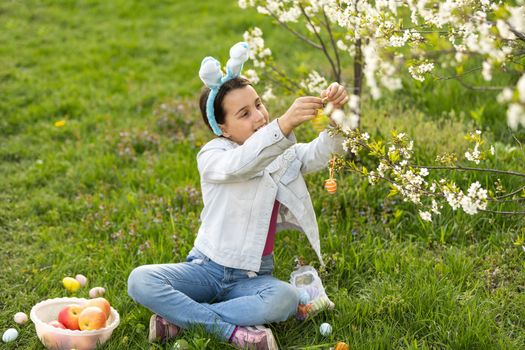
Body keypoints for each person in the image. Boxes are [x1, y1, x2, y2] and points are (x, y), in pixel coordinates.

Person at [127, 42, 348, 350]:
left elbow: (319, 154)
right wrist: (283, 124)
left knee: (285, 299)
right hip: (206, 269)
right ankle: (232, 333)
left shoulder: (281, 151)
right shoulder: (214, 155)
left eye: (258, 105)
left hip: (254, 276)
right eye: (244, 113)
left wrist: (336, 116)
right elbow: (243, 164)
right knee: (140, 280)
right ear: (222, 127)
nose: (259, 117)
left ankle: (178, 321)